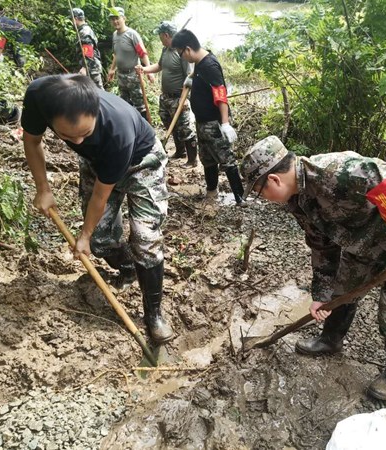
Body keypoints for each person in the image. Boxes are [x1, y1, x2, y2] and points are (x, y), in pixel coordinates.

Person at [239, 135, 386, 400]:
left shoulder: (338, 171)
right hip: (365, 238)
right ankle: (331, 340)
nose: (264, 198)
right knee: (342, 290)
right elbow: (322, 246)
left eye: (260, 192)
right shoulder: (298, 199)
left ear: (273, 180)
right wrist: (321, 295)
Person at [21, 74, 174, 343]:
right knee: (102, 240)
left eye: (85, 134)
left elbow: (101, 196)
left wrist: (84, 235)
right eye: (68, 136)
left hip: (142, 162)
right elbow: (32, 140)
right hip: (96, 162)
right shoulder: (38, 96)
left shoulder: (118, 129)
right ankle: (128, 267)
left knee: (146, 240)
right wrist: (43, 189)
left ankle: (154, 314)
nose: (77, 142)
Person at [171, 29, 245, 205]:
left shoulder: (209, 65)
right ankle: (212, 192)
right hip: (202, 122)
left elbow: (221, 95)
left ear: (188, 49)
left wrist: (225, 124)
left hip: (214, 123)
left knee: (226, 159)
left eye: (181, 54)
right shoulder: (199, 62)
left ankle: (240, 198)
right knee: (207, 159)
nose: (182, 58)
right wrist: (192, 80)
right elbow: (201, 81)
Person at [137, 21, 197, 167]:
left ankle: (192, 159)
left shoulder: (181, 51)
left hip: (178, 97)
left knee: (185, 128)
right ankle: (179, 151)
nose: (159, 38)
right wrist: (145, 69)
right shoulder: (165, 50)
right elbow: (159, 66)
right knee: (169, 123)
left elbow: (189, 76)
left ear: (166, 35)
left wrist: (183, 100)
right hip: (166, 97)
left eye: (160, 35)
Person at [106, 7, 153, 117]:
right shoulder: (114, 35)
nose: (115, 21)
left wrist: (149, 71)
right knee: (125, 104)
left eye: (117, 18)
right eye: (112, 19)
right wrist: (112, 69)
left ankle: (144, 128)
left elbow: (142, 53)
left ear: (124, 18)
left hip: (133, 75)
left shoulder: (132, 35)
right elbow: (116, 54)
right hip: (121, 75)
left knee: (140, 105)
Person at [71, 8, 104, 89]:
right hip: (91, 66)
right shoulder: (83, 30)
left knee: (98, 92)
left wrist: (85, 68)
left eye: (71, 19)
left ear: (75, 19)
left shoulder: (84, 32)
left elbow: (88, 51)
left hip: (91, 68)